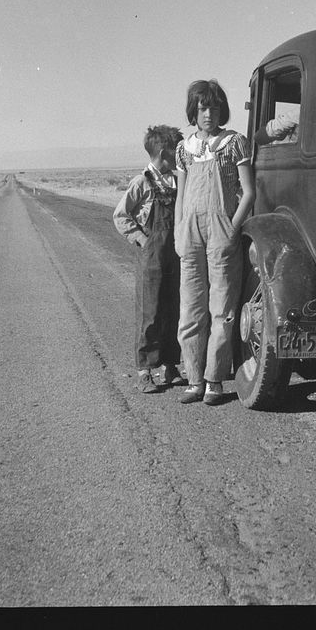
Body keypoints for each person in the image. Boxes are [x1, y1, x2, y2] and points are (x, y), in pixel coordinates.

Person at [174, 79, 256, 406]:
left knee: (221, 309)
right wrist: (181, 231)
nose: (209, 113)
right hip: (190, 232)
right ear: (194, 110)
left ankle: (214, 380)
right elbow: (181, 195)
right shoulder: (184, 148)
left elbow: (249, 193)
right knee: (191, 310)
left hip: (222, 228)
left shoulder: (234, 142)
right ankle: (193, 379)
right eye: (203, 107)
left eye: (215, 107)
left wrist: (231, 230)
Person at [112, 125, 186, 394]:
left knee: (173, 309)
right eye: (176, 150)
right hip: (151, 256)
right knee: (149, 312)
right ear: (165, 152)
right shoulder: (141, 182)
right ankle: (144, 370)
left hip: (175, 255)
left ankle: (169, 365)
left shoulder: (177, 180)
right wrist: (143, 241)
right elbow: (121, 216)